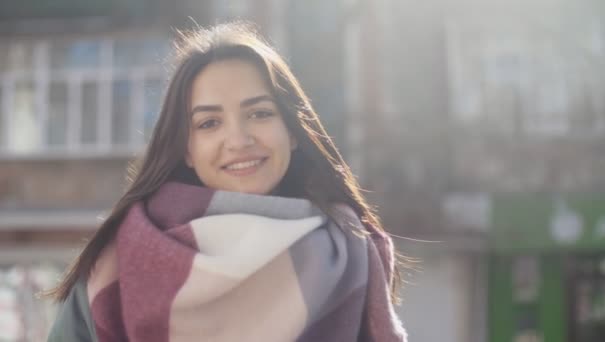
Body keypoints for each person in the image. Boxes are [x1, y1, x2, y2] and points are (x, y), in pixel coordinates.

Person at [47, 22, 407, 342]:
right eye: (209, 123)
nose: (238, 140)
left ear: (293, 131)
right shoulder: (119, 262)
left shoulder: (349, 252)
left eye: (260, 113)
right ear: (186, 148)